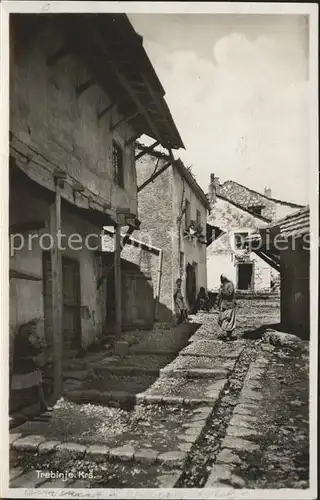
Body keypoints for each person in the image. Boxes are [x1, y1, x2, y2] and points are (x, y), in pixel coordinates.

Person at [11, 321, 53, 413]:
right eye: (28, 331)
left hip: (27, 367)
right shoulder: (20, 340)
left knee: (37, 384)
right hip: (22, 367)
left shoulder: (24, 339)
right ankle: (19, 407)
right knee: (20, 389)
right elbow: (26, 352)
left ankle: (42, 405)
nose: (29, 333)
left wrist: (39, 348)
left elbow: (32, 350)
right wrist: (38, 350)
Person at [216, 274, 236, 340]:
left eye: (222, 278)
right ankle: (227, 334)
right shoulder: (222, 285)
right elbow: (220, 296)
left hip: (230, 305)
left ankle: (228, 335)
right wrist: (218, 303)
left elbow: (229, 294)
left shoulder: (230, 284)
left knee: (229, 320)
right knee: (221, 319)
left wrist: (222, 291)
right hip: (223, 305)